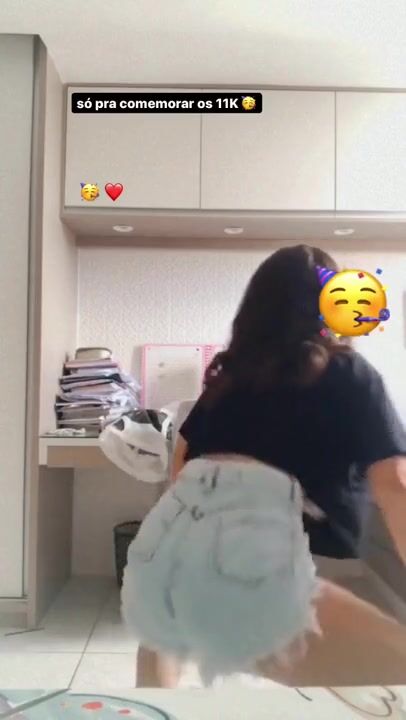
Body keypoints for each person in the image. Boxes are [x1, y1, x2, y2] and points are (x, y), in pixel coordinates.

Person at [122, 244, 406, 688]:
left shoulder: (226, 381)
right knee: (390, 661)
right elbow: (395, 487)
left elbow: (180, 463)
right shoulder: (349, 374)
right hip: (302, 576)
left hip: (198, 578)